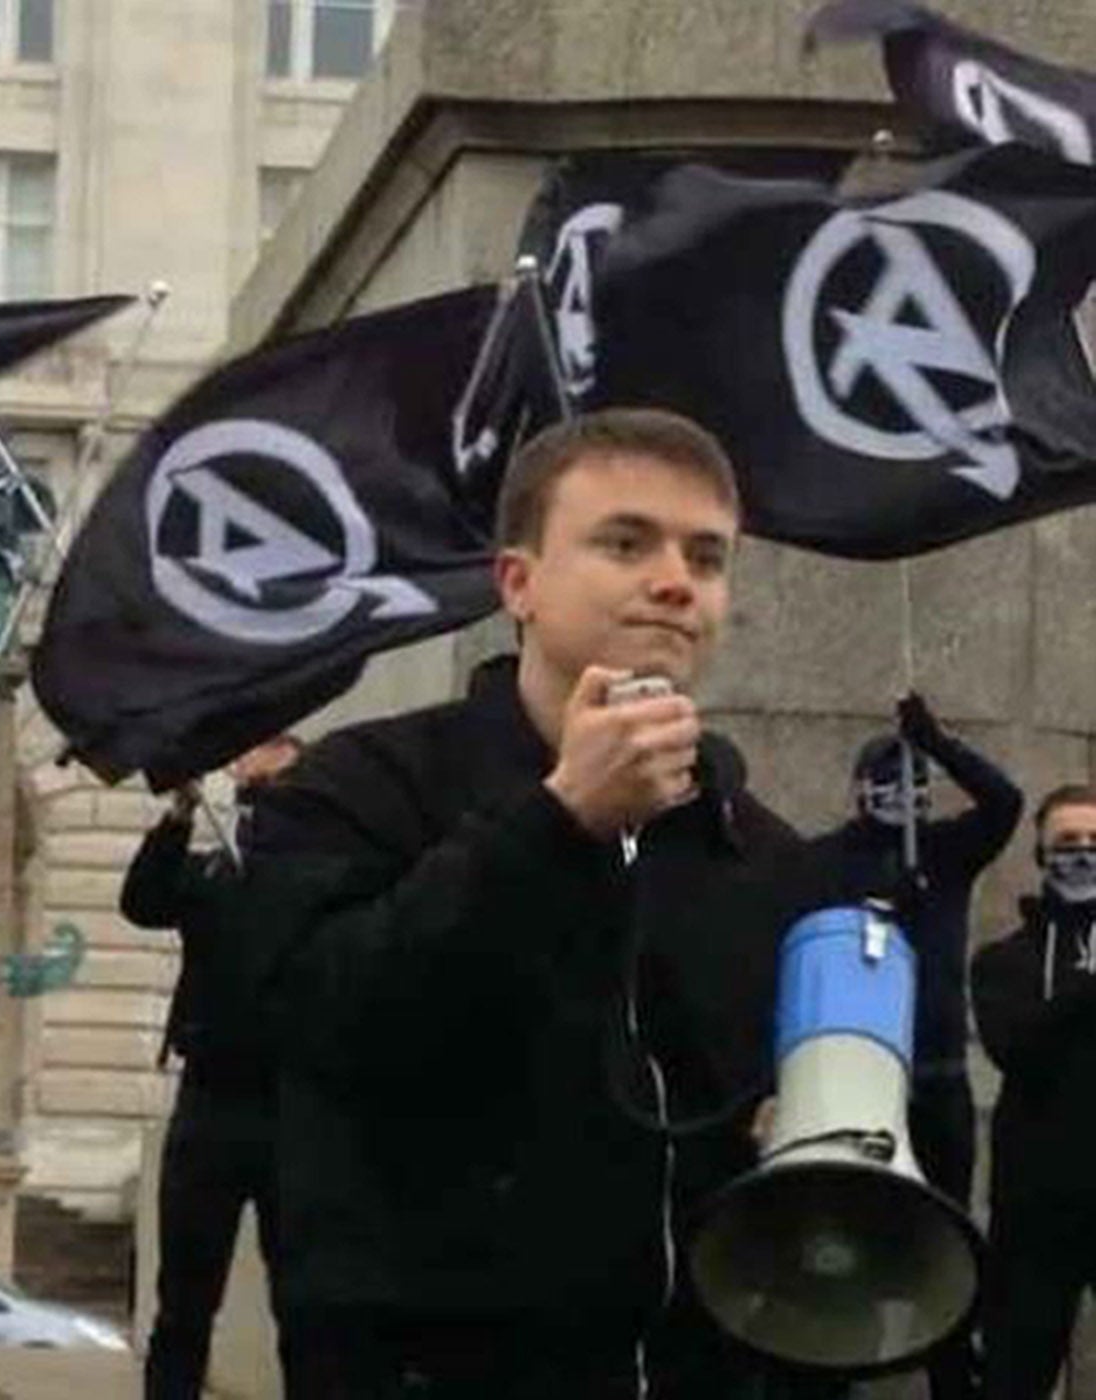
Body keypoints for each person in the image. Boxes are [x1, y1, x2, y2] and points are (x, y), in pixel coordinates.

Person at [247, 408, 817, 1398]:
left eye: (706, 556)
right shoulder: (364, 783)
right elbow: (324, 1018)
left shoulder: (756, 848)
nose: (676, 582)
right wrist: (555, 822)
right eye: (624, 541)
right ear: (518, 582)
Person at [803, 699, 1021, 1399]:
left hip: (939, 1076)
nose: (908, 797)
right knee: (851, 1233)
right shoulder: (824, 860)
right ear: (862, 790)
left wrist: (940, 742)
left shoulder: (949, 851)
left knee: (947, 1240)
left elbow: (1005, 802)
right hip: (859, 1076)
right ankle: (836, 1366)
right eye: (892, 782)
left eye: (917, 783)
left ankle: (954, 1374)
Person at [123, 735, 301, 1400]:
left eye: (279, 752)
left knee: (302, 1296)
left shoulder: (318, 866)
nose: (257, 761)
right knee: (186, 1301)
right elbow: (143, 901)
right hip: (211, 1099)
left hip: (289, 1102)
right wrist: (177, 818)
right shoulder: (214, 873)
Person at [971, 784, 1096, 1400]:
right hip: (1035, 1209)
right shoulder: (1003, 960)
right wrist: (1087, 988)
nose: (1082, 854)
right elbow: (1012, 1045)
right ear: (1041, 854)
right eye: (1068, 842)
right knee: (1015, 1376)